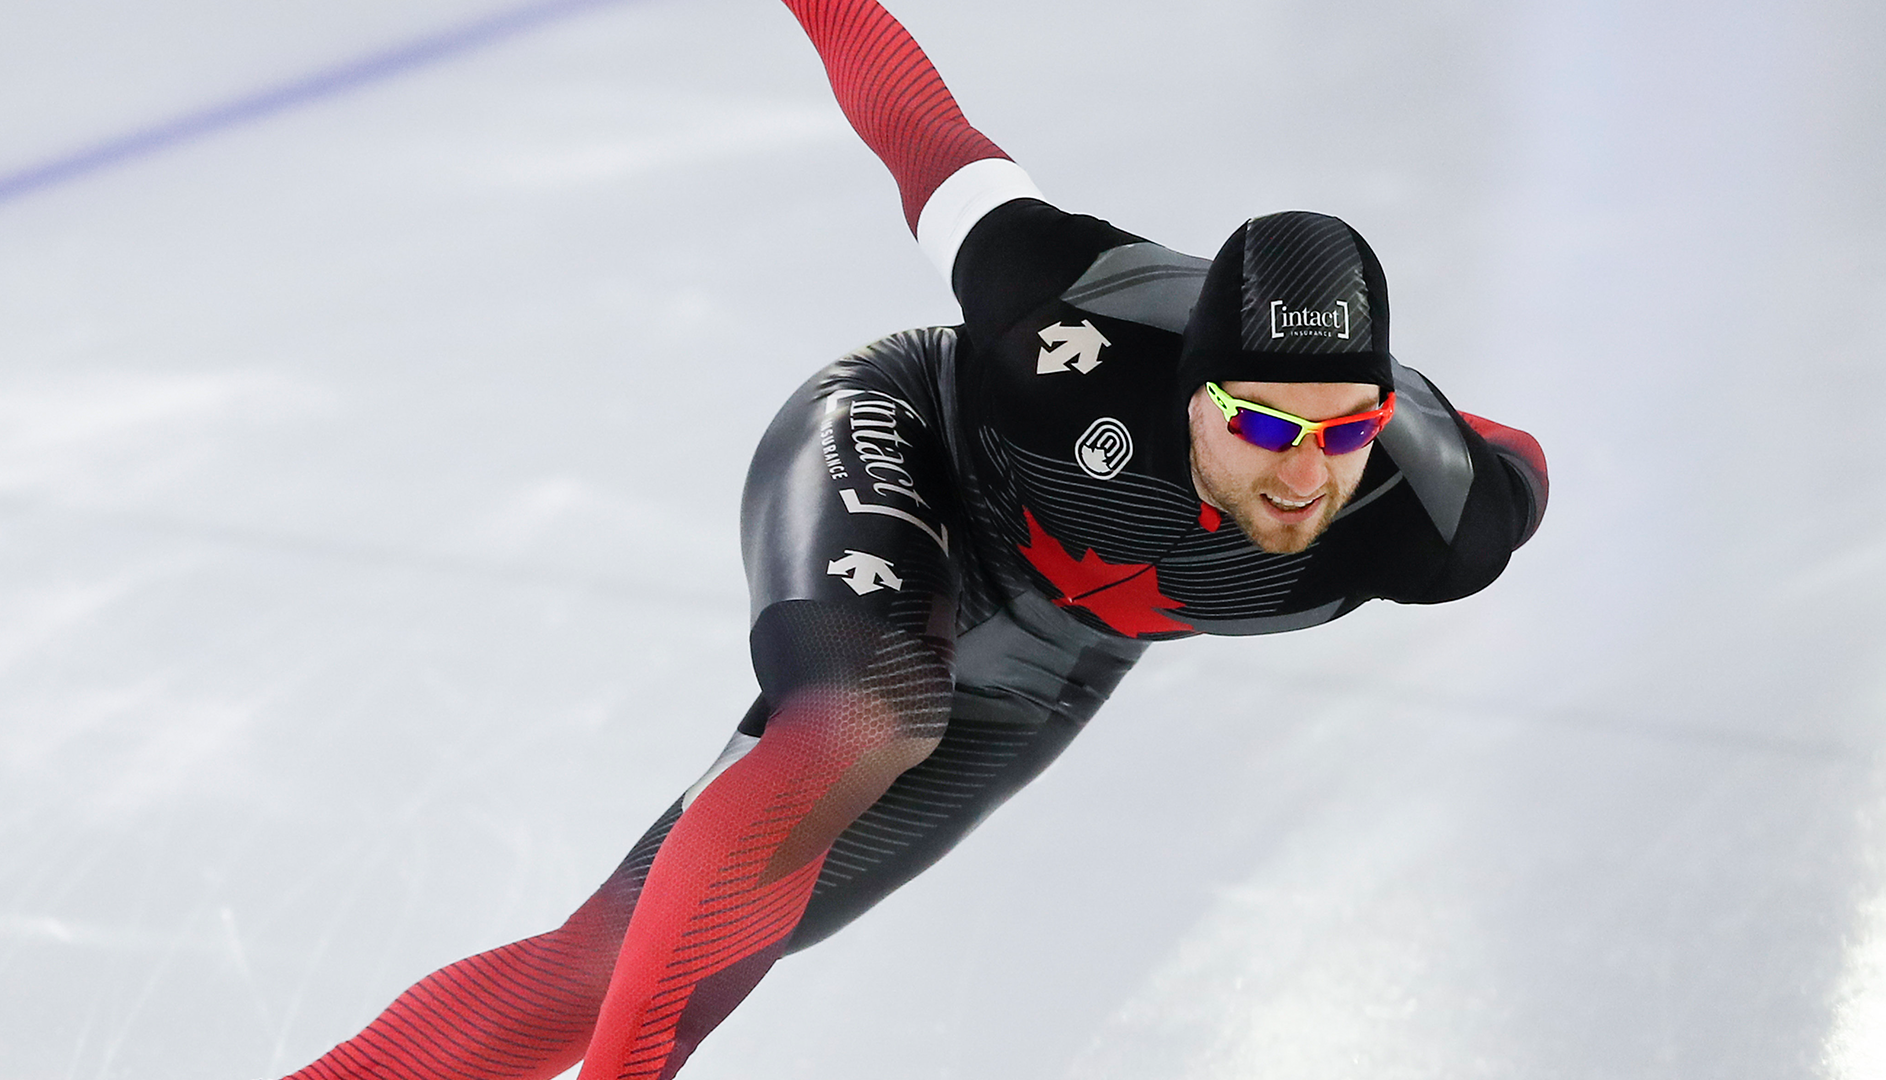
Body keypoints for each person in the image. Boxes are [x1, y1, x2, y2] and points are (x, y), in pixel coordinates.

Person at [282, 1, 1548, 1078]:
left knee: (645, 951)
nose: (1304, 473)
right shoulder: (1066, 313)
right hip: (912, 449)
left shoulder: (1430, 519)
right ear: (1189, 393)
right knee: (863, 719)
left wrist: (1413, 419)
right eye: (1264, 425)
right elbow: (919, 131)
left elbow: (1515, 459)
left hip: (1060, 650)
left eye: (1347, 429)